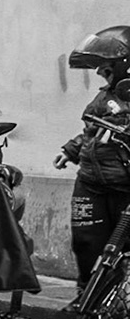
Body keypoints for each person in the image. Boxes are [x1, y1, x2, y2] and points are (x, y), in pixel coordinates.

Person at [57, 26, 130, 289]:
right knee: (86, 242)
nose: (99, 71)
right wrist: (71, 150)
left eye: (105, 66)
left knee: (120, 248)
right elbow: (93, 131)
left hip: (123, 185)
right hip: (90, 182)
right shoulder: (105, 96)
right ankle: (88, 296)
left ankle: (117, 303)